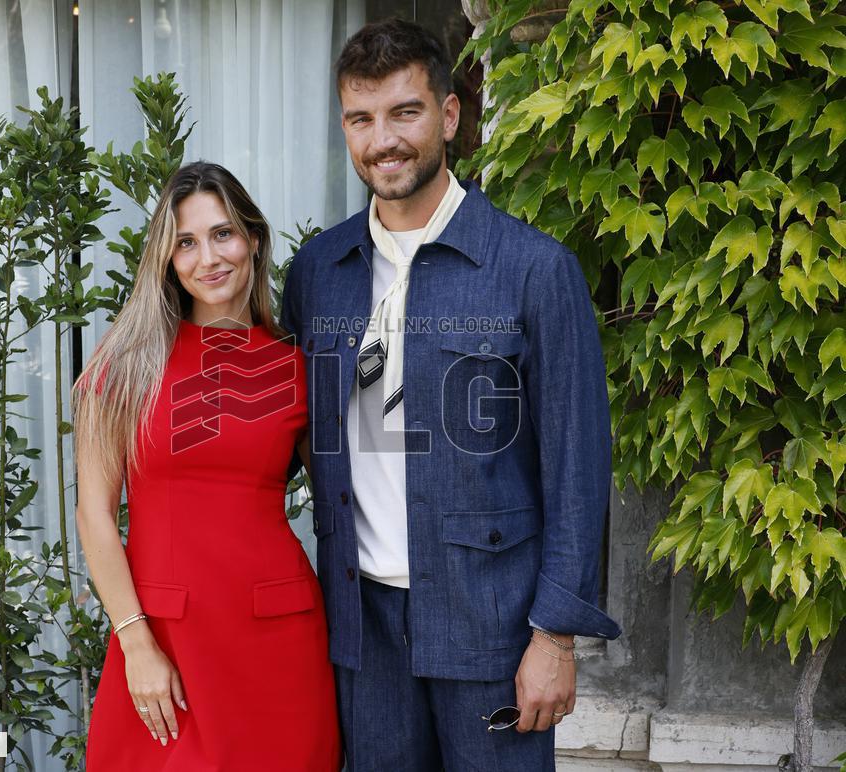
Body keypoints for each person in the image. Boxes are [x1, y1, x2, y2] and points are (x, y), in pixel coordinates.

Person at [279, 18, 622, 771]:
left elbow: (578, 464)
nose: (383, 141)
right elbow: (302, 432)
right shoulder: (319, 272)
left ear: (449, 115)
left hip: (493, 628)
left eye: (404, 112)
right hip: (362, 632)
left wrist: (556, 636)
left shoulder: (534, 270)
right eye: (360, 119)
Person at [77, 161, 341, 770]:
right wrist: (135, 640)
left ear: (254, 239)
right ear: (167, 260)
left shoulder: (295, 365)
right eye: (186, 243)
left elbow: (346, 498)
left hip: (279, 638)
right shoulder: (125, 365)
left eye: (223, 234)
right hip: (163, 641)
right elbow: (95, 516)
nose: (209, 258)